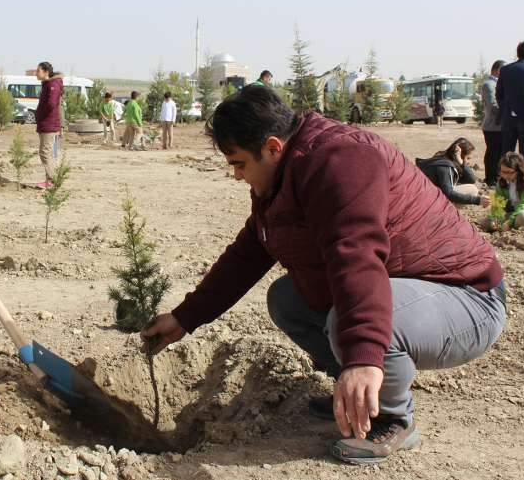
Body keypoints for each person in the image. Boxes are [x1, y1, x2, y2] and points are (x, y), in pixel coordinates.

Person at [141, 88, 505, 465]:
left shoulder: (342, 160)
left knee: (353, 320)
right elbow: (249, 252)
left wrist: (364, 356)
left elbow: (358, 256)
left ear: (271, 147)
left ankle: (393, 418)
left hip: (466, 296)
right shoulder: (282, 177)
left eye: (238, 164)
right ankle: (355, 396)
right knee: (287, 298)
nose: (236, 176)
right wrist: (186, 317)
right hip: (401, 287)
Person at [415, 138, 491, 207]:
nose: (468, 162)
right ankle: (447, 214)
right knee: (472, 189)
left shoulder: (444, 158)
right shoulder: (445, 167)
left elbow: (471, 179)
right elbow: (449, 194)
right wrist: (477, 200)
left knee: (470, 186)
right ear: (460, 155)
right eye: (467, 158)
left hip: (425, 195)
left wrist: (461, 162)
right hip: (425, 200)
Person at [35, 61, 63, 188]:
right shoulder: (48, 84)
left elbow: (51, 104)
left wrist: (41, 114)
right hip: (47, 124)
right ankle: (49, 181)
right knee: (49, 153)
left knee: (45, 152)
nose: (36, 73)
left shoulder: (53, 85)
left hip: (49, 124)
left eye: (38, 71)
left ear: (45, 72)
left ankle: (52, 181)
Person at [481, 60, 505, 186]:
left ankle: (495, 177)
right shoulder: (489, 85)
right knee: (493, 153)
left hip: (500, 126)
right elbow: (493, 105)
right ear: (498, 70)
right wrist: (506, 114)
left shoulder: (499, 84)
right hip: (493, 126)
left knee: (499, 153)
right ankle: (490, 178)